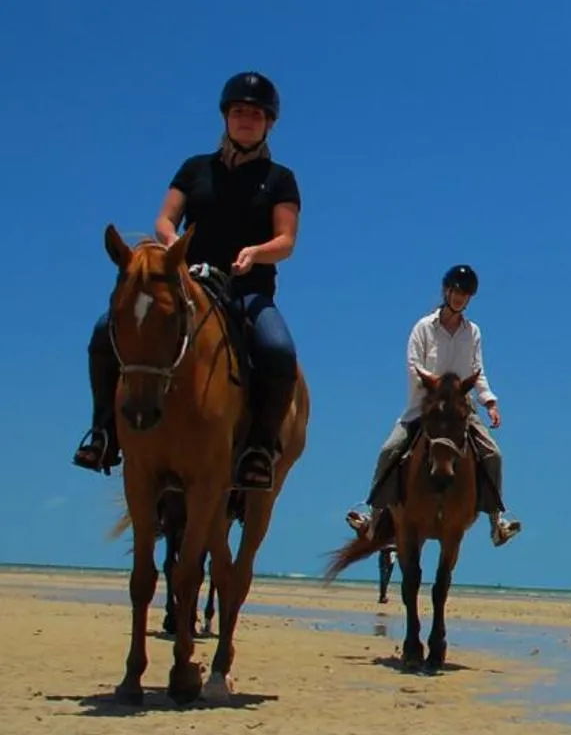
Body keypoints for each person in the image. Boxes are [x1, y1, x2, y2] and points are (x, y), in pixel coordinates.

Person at [74, 71, 302, 491]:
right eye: (238, 112)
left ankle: (258, 447)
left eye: (255, 114)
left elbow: (286, 239)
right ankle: (104, 431)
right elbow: (165, 217)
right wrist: (171, 240)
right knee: (104, 330)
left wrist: (255, 253)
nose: (245, 120)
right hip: (189, 283)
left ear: (268, 122)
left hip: (247, 289)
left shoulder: (280, 179)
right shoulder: (196, 168)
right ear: (226, 119)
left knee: (278, 350)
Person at [345, 264, 520, 546]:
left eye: (466, 294)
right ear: (446, 290)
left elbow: (478, 369)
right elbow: (414, 365)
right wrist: (437, 384)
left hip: (461, 410)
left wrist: (489, 402)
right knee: (389, 449)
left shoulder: (472, 332)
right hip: (425, 407)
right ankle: (372, 518)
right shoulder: (424, 327)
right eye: (457, 291)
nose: (460, 297)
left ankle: (496, 523)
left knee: (494, 455)